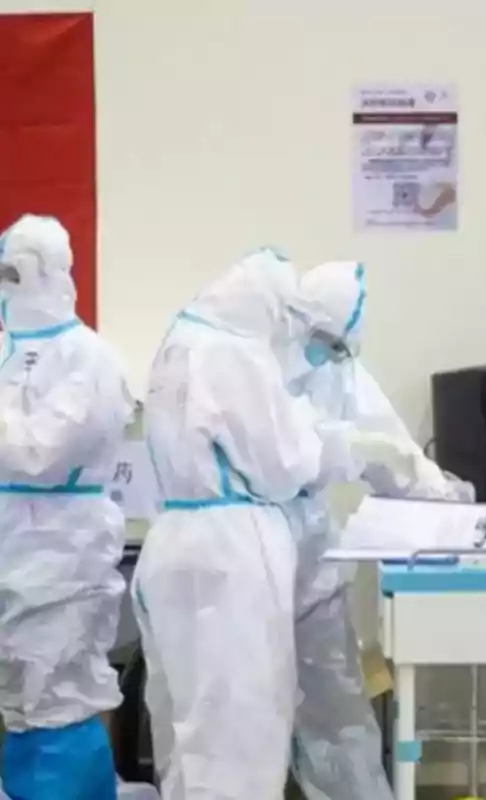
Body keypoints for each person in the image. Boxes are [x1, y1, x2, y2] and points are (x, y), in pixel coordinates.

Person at [130, 249, 415, 800]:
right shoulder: (235, 353)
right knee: (241, 735)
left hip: (177, 548)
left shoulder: (184, 341)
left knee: (189, 736)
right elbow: (286, 462)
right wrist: (354, 450)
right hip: (232, 558)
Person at [285, 260, 468, 799]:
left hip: (310, 559)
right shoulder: (255, 366)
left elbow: (388, 448)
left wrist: (444, 495)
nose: (328, 350)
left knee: (335, 711)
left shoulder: (339, 368)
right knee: (243, 721)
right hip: (249, 559)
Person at [0, 214, 134, 800]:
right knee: (18, 701)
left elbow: (39, 453)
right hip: (12, 548)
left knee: (59, 696)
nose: (8, 285)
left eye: (19, 272)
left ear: (54, 272)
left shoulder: (90, 358)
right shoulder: (5, 352)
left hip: (63, 550)